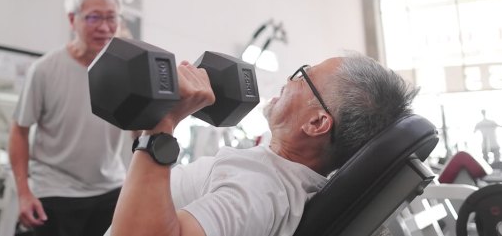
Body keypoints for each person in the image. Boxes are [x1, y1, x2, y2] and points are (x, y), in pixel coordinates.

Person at [107, 54, 418, 236]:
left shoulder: (261, 188)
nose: (288, 81)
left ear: (316, 123)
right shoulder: (279, 179)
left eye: (302, 77)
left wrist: (163, 125)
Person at [9, 0, 130, 236]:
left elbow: (140, 131)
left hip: (111, 188)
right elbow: (19, 131)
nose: (105, 27)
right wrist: (23, 192)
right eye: (94, 17)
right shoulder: (44, 70)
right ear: (71, 19)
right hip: (55, 191)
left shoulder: (125, 72)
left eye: (112, 17)